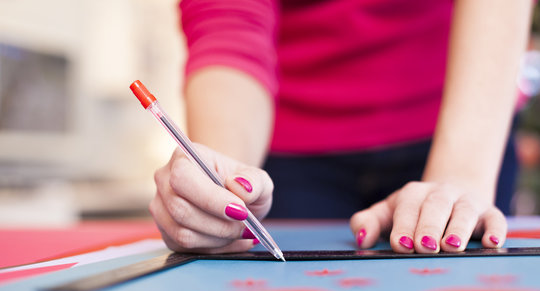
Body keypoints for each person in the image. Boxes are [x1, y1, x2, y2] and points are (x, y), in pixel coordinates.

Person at [150, 0, 534, 255]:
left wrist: (460, 176)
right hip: (288, 151)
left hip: (460, 117)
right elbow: (229, 19)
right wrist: (222, 182)